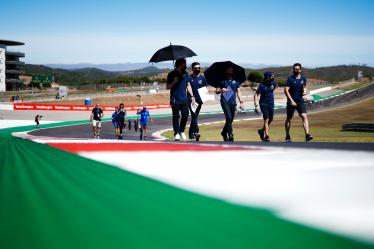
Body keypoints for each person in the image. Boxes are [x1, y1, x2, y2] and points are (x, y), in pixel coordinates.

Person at [166, 58, 195, 141]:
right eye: (184, 64)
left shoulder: (186, 74)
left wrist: (192, 96)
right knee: (176, 116)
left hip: (184, 99)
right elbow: (167, 87)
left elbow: (188, 85)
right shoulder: (171, 74)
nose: (185, 65)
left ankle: (181, 131)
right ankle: (176, 133)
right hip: (175, 99)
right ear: (179, 64)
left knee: (185, 115)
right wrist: (174, 82)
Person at [284, 63, 313, 142]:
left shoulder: (303, 79)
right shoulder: (290, 79)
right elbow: (286, 90)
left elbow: (304, 87)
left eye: (297, 69)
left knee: (304, 116)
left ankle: (307, 134)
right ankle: (287, 135)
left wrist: (304, 92)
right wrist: (291, 101)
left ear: (300, 70)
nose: (295, 70)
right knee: (289, 118)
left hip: (300, 101)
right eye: (294, 69)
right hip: (291, 101)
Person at [216, 66, 244, 141]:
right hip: (224, 101)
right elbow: (217, 90)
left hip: (233, 102)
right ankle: (230, 134)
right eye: (229, 71)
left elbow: (238, 92)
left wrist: (241, 101)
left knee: (230, 119)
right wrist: (221, 90)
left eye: (231, 71)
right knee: (228, 117)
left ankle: (224, 132)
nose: (230, 72)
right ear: (226, 72)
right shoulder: (222, 81)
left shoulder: (236, 81)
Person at [187, 62, 208, 141]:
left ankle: (190, 134)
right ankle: (196, 132)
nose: (197, 69)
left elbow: (206, 88)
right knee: (194, 116)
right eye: (196, 68)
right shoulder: (189, 78)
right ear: (192, 69)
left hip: (199, 101)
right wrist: (192, 97)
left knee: (194, 117)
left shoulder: (202, 78)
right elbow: (187, 88)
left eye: (199, 68)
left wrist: (206, 96)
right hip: (191, 100)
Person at [254, 72, 277, 142]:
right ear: (267, 77)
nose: (273, 78)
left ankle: (261, 130)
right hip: (263, 104)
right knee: (266, 118)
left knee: (271, 118)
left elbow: (272, 90)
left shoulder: (273, 83)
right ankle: (266, 135)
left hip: (271, 104)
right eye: (271, 76)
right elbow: (255, 94)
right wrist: (256, 104)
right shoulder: (261, 85)